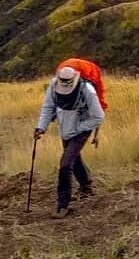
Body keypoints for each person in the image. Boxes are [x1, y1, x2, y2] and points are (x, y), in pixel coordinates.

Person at [34, 65, 105, 217]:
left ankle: (62, 205)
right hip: (65, 128)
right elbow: (48, 106)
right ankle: (86, 187)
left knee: (65, 165)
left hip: (81, 129)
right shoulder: (54, 85)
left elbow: (98, 116)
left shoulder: (88, 90)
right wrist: (41, 127)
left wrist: (79, 129)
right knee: (74, 158)